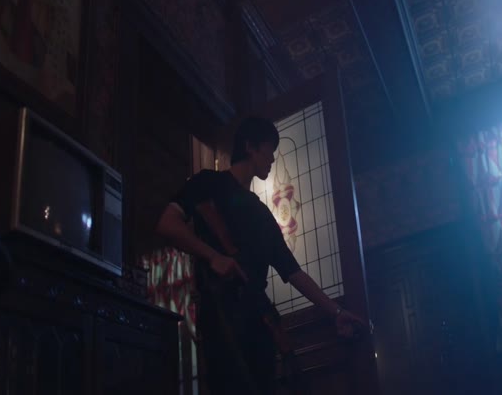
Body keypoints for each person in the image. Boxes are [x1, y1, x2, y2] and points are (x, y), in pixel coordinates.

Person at [156, 116, 364, 394]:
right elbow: (167, 224)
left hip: (261, 325)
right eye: (270, 148)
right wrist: (213, 256)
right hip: (221, 318)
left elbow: (293, 272)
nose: (273, 158)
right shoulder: (208, 182)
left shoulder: (263, 215)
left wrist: (335, 311)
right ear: (250, 146)